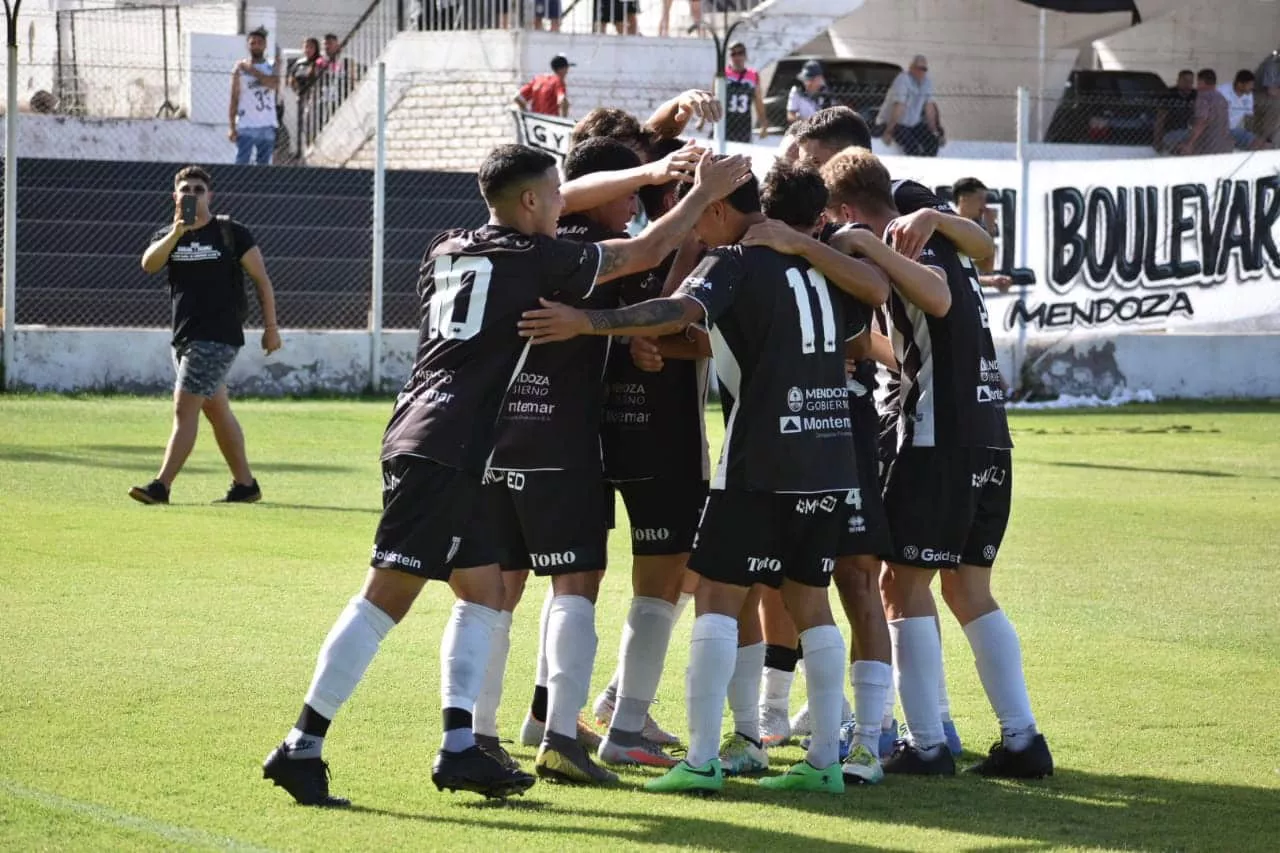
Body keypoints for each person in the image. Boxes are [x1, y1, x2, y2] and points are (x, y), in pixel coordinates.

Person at [259, 143, 752, 807]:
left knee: (485, 591)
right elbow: (640, 253)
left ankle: (462, 743)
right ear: (528, 202)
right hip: (445, 445)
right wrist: (698, 193)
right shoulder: (533, 258)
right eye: (554, 194)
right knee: (385, 597)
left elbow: (549, 213)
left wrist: (650, 175)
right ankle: (302, 741)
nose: (563, 204)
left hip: (442, 439)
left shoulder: (447, 246)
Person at [518, 161, 888, 796]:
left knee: (717, 599)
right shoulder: (823, 270)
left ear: (720, 210)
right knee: (810, 602)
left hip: (759, 460)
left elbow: (675, 307)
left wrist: (593, 323)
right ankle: (826, 759)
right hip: (829, 458)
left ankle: (700, 758)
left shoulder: (734, 260)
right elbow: (839, 326)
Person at [819, 146, 1053, 780]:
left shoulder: (899, 240)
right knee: (968, 588)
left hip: (936, 437)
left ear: (845, 209)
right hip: (987, 434)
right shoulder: (933, 227)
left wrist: (870, 251)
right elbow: (973, 263)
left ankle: (925, 746)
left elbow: (940, 299)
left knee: (901, 584)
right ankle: (1023, 740)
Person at [130, 166, 281, 506]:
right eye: (185, 189)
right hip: (184, 337)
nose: (192, 194)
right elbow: (148, 265)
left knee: (185, 410)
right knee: (216, 410)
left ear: (209, 196)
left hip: (218, 336)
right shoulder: (168, 234)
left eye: (199, 189)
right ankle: (245, 486)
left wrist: (271, 328)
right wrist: (177, 231)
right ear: (175, 196)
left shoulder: (231, 233)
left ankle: (161, 486)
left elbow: (262, 280)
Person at [229, 27, 280, 166]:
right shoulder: (239, 69)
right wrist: (232, 126)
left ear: (265, 45)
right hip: (246, 124)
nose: (256, 46)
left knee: (263, 166)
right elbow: (234, 97)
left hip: (267, 124)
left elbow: (273, 84)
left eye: (259, 42)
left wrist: (250, 69)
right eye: (253, 43)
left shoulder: (271, 66)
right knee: (241, 163)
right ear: (248, 45)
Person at [952, 177, 1012, 292]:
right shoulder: (948, 228)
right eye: (980, 199)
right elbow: (952, 277)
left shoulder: (973, 230)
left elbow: (986, 268)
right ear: (963, 199)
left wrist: (990, 230)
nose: (984, 205)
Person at [881, 55, 942, 157]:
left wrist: (934, 130)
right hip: (896, 123)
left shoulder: (927, 82)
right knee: (912, 147)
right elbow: (899, 106)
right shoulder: (903, 80)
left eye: (924, 69)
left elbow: (929, 108)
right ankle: (913, 170)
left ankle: (927, 168)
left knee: (932, 143)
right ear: (911, 67)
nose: (921, 71)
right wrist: (889, 131)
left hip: (913, 124)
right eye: (919, 68)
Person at [1174, 69, 1234, 156]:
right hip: (1224, 146)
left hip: (1207, 146)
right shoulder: (1221, 98)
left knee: (1170, 138)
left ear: (1201, 81)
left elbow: (1202, 122)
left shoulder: (1203, 97)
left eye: (1197, 81)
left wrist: (1189, 143)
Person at [723, 42, 769, 143]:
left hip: (743, 124)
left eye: (740, 53)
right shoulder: (722, 74)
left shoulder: (753, 75)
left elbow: (758, 101)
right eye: (733, 54)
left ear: (745, 55)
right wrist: (703, 120)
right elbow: (713, 97)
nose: (737, 57)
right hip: (724, 123)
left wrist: (763, 124)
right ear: (729, 57)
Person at [1154, 69, 1197, 153]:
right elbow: (1160, 119)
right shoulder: (1168, 95)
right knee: (1182, 148)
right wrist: (1157, 140)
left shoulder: (1195, 95)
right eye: (1185, 81)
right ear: (1178, 81)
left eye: (1191, 81)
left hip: (1190, 131)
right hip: (1172, 132)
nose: (1188, 84)